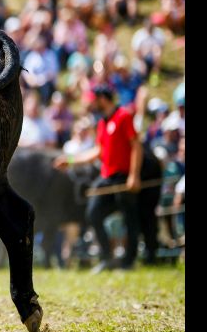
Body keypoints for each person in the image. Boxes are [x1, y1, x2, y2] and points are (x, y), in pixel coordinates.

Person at [54, 85, 143, 273]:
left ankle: (129, 262)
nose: (90, 103)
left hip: (124, 176)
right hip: (107, 178)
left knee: (130, 218)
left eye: (93, 99)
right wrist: (70, 161)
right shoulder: (102, 123)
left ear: (102, 98)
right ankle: (107, 257)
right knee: (93, 212)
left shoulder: (124, 116)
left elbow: (136, 146)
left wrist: (134, 176)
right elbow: (98, 152)